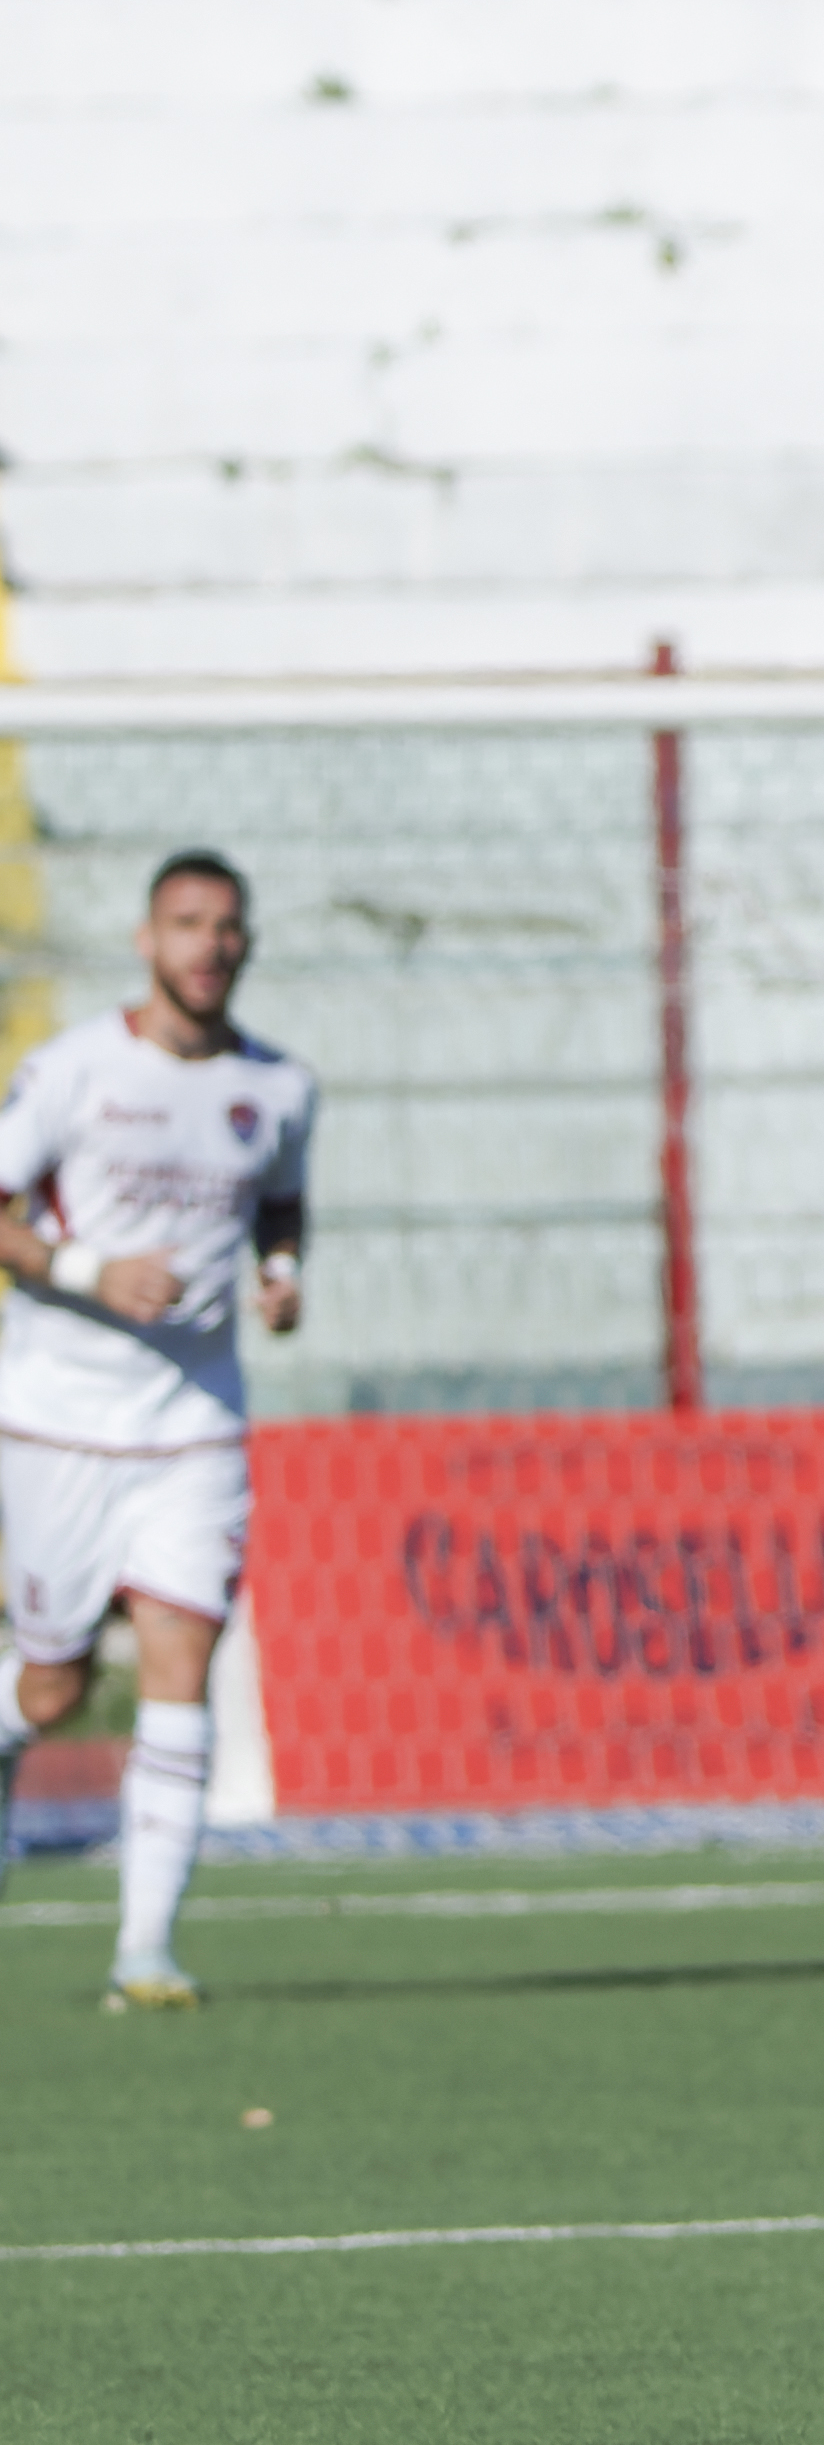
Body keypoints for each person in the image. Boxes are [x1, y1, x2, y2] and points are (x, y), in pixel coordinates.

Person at [0, 851, 317, 2009]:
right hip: (57, 1422)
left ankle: (145, 1954)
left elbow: (281, 1199)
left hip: (194, 1425)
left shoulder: (279, 1087)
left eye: (227, 926)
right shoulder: (77, 1071)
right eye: (187, 923)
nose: (208, 945)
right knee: (53, 1690)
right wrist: (88, 1268)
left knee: (182, 1654)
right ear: (147, 938)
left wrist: (281, 1276)